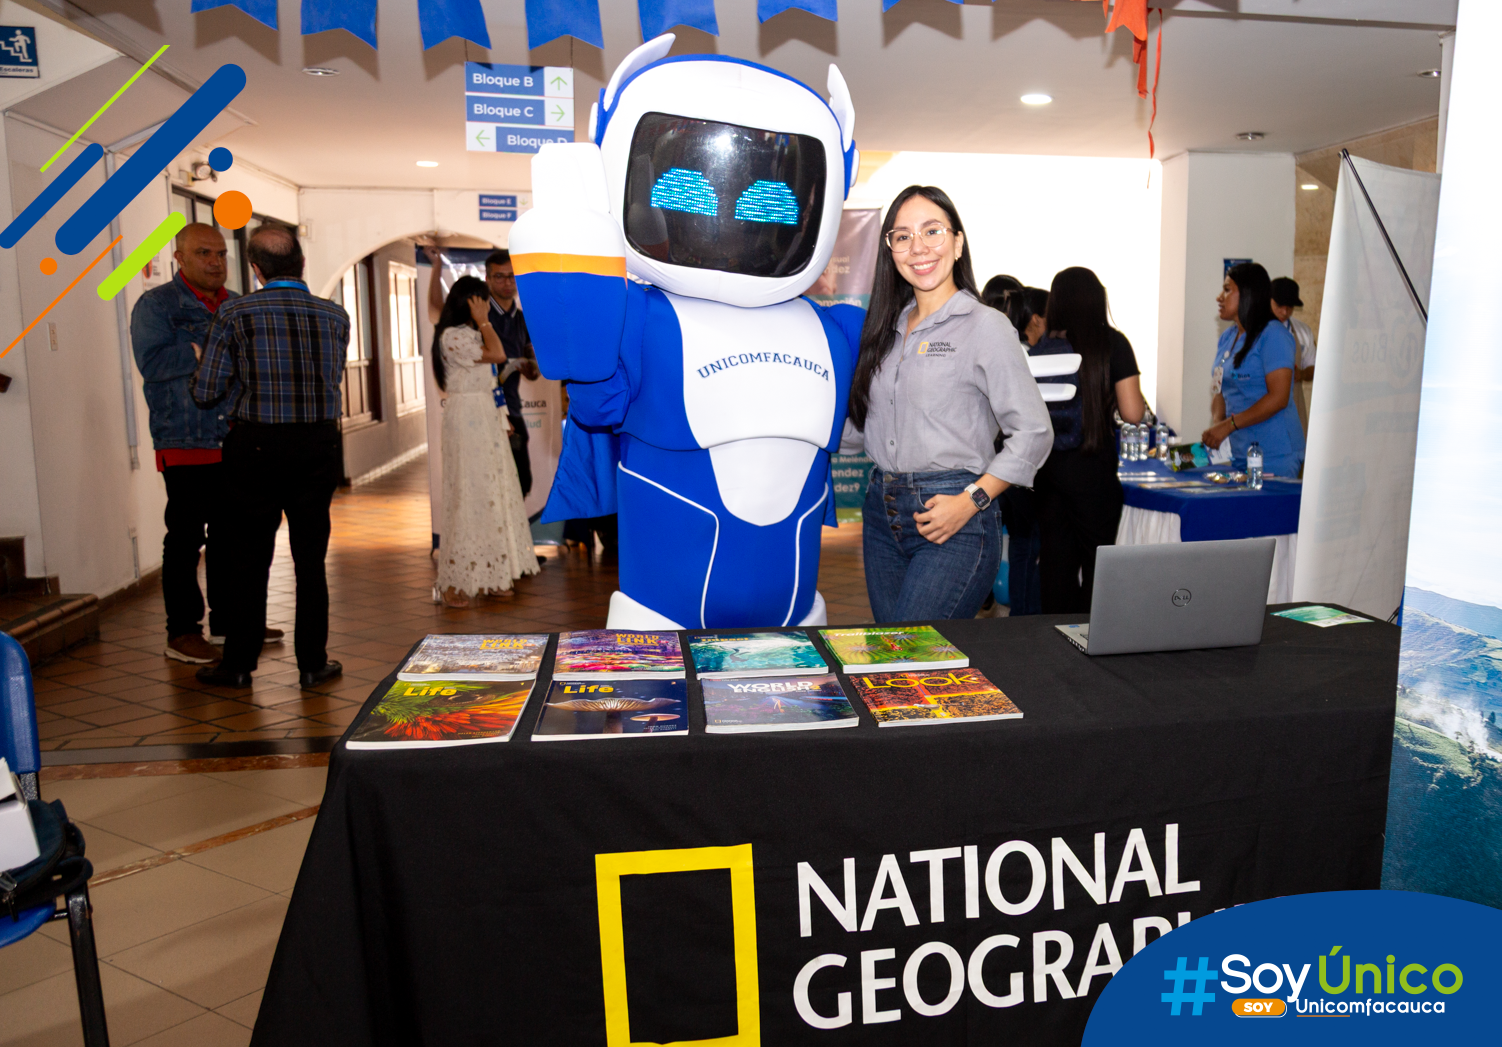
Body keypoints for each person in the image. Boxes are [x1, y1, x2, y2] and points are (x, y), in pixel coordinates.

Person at [842, 186, 1053, 623]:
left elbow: (1034, 432)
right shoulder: (884, 330)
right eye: (902, 236)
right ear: (890, 250)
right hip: (881, 513)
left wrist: (972, 499)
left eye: (932, 231)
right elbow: (862, 430)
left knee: (911, 656)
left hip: (954, 514)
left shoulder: (985, 326)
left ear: (957, 243)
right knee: (892, 661)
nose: (917, 247)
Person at [190, 225, 348, 689]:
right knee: (310, 559)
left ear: (255, 269)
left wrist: (207, 361)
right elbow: (328, 378)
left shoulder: (235, 312)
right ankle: (313, 664)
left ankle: (238, 665)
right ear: (300, 263)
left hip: (256, 447)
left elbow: (206, 392)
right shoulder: (335, 316)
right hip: (318, 446)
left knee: (248, 558)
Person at [129, 223, 278, 663]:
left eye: (220, 254)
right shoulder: (157, 305)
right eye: (203, 254)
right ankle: (182, 632)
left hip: (233, 438)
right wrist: (201, 351)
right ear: (180, 258)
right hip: (185, 437)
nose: (215, 262)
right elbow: (152, 364)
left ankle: (228, 622)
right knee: (185, 538)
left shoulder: (237, 305)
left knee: (230, 537)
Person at [1031, 267, 1146, 613]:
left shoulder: (1041, 351)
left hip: (1047, 472)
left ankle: (1054, 644)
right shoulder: (1112, 343)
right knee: (1099, 567)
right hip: (1093, 469)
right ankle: (1094, 643)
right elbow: (1134, 413)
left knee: (1055, 565)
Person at [430, 276, 539, 607]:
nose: (484, 306)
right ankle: (453, 581)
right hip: (465, 418)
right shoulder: (451, 336)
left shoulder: (473, 332)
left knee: (494, 492)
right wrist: (484, 321)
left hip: (486, 418)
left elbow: (492, 381)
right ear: (467, 302)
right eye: (479, 300)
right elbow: (498, 354)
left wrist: (503, 418)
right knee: (467, 493)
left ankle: (493, 576)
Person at [425, 248, 540, 496]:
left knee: (521, 485)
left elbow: (533, 371)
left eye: (512, 276)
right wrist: (436, 267)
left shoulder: (523, 319)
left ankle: (509, 535)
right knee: (488, 488)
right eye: (499, 276)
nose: (507, 282)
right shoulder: (476, 315)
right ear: (487, 279)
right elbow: (437, 311)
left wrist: (526, 365)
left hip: (511, 411)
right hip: (481, 413)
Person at [1202, 262, 1305, 477]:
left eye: (1228, 290)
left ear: (1248, 294)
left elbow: (1278, 398)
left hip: (1274, 456)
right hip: (1239, 454)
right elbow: (1221, 389)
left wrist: (1228, 426)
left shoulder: (1274, 335)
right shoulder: (1228, 338)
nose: (1219, 297)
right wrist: (1218, 423)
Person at [994, 285, 1051, 616]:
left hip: (1005, 464)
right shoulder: (1028, 358)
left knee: (1020, 545)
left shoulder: (1008, 349)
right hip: (1021, 467)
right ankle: (1026, 618)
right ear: (1036, 319)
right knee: (1030, 545)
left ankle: (1017, 616)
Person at [1271, 276, 1316, 433]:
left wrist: (1302, 374)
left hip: (1294, 409)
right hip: (1263, 412)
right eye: (1279, 306)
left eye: (1289, 307)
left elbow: (1314, 368)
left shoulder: (1303, 331)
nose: (1284, 312)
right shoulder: (1254, 330)